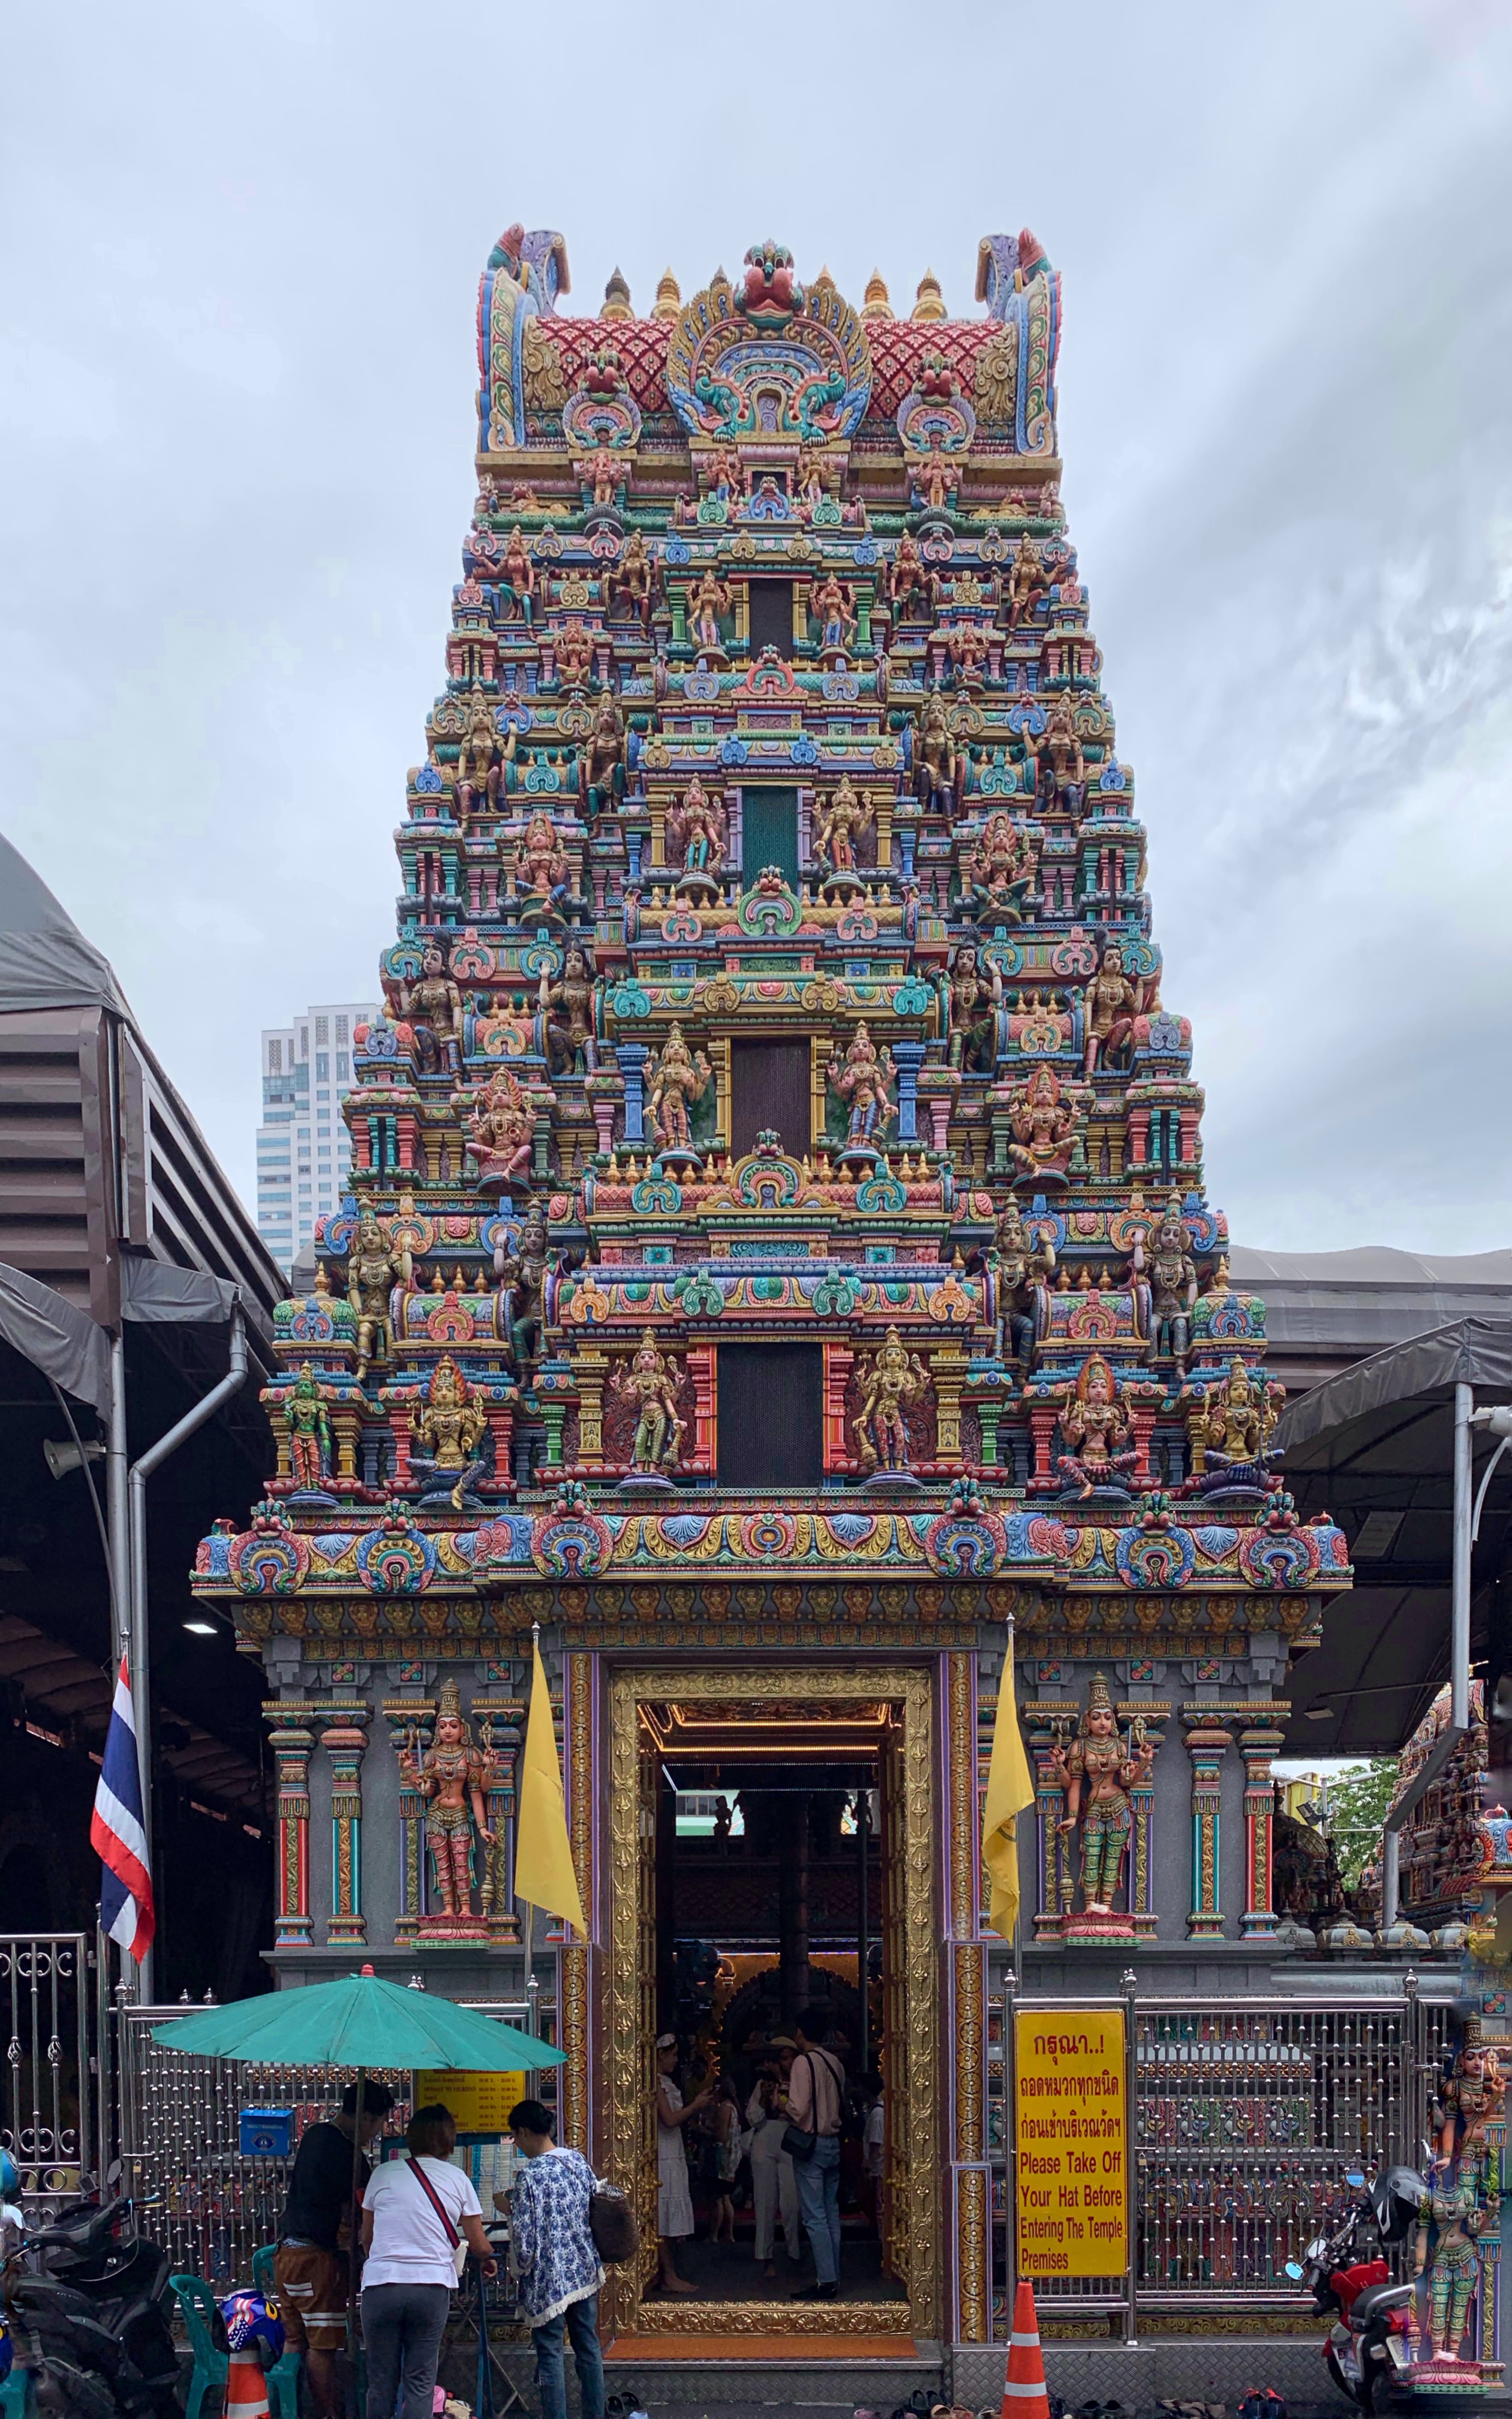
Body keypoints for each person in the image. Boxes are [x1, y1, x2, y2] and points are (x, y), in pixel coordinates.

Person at [359, 2104, 495, 2419]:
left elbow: (368, 2238)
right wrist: (488, 2258)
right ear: (450, 2140)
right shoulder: (458, 2179)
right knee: (420, 2383)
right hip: (430, 2288)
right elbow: (478, 2244)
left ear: (410, 2138)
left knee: (380, 2382)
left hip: (381, 2287)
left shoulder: (383, 2174)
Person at [273, 2078, 393, 2419]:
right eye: (380, 2121)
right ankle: (328, 2415)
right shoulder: (346, 2154)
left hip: (287, 2255)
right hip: (315, 2260)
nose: (379, 2130)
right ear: (366, 2116)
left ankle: (291, 2410)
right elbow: (359, 2208)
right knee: (323, 2348)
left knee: (296, 2340)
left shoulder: (315, 2135)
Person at [509, 2098, 605, 2419]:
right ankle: (594, 2413)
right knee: (588, 2348)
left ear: (524, 2132)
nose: (517, 2145)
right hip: (583, 2270)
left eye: (516, 2137)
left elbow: (525, 2241)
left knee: (551, 2353)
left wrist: (518, 2269)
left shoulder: (530, 2176)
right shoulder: (576, 2161)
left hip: (548, 2280)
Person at [783, 2008, 846, 2300]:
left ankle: (825, 2280)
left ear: (800, 2033)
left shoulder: (802, 2063)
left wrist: (781, 2101)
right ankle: (833, 2274)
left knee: (814, 2215)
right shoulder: (835, 2063)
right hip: (834, 2142)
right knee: (831, 2212)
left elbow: (798, 2108)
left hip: (811, 2145)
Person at [655, 2033, 711, 2292]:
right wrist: (695, 2106)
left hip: (671, 2148)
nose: (676, 2061)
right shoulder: (657, 2084)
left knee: (668, 2214)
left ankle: (668, 2272)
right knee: (663, 2216)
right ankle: (669, 2274)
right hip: (664, 2149)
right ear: (661, 2055)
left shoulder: (665, 2082)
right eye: (674, 2055)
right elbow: (669, 2118)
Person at [746, 2045, 801, 2280]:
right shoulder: (762, 2085)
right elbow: (753, 2119)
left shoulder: (801, 2084)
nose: (784, 2064)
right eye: (781, 2059)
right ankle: (766, 2257)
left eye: (788, 2058)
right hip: (765, 2140)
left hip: (791, 2142)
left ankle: (794, 2252)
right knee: (765, 2202)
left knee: (792, 2203)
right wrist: (761, 2097)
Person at [709, 2078, 743, 2247]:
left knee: (719, 2198)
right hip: (733, 2158)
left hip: (723, 2158)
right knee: (726, 2197)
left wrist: (705, 2130)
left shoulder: (724, 2109)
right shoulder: (734, 2108)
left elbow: (721, 2136)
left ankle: (715, 2234)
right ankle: (728, 2233)